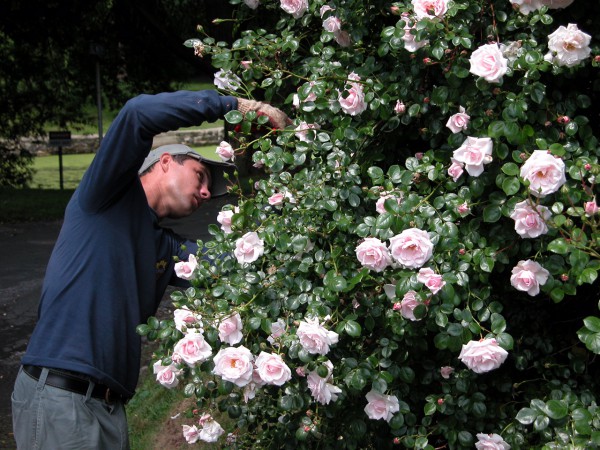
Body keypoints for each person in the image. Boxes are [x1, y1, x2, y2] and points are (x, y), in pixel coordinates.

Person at [11, 89, 288, 449]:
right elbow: (137, 114)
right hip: (62, 396)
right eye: (201, 175)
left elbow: (240, 262)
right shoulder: (106, 197)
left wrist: (284, 180)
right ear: (165, 161)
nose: (206, 193)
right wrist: (237, 106)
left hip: (109, 407)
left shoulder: (164, 246)